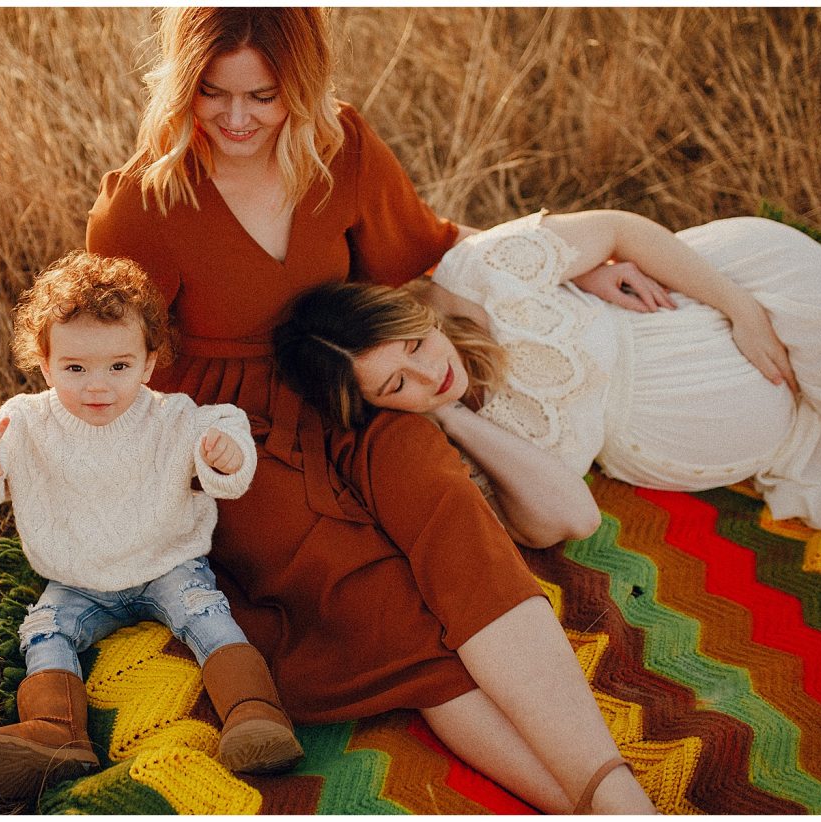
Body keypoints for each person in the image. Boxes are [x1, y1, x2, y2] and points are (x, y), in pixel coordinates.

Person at [85, 7, 657, 815]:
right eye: (213, 93)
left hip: (347, 391)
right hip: (228, 432)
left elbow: (427, 245)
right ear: (183, 83)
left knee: (449, 516)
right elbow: (114, 360)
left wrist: (567, 264)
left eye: (263, 96)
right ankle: (599, 807)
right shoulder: (144, 205)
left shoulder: (340, 147)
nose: (237, 119)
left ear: (302, 85)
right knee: (379, 597)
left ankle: (612, 783)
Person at [0, 250, 304, 801]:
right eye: (75, 369)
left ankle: (254, 715)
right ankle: (57, 732)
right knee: (44, 631)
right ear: (45, 363)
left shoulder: (171, 416)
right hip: (76, 579)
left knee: (204, 613)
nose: (97, 387)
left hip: (166, 564)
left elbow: (223, 434)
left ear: (148, 364)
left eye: (119, 367)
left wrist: (225, 455)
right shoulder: (27, 421)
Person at [273, 209, 821, 538]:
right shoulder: (449, 451)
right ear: (373, 406)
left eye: (414, 343)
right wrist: (452, 417)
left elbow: (622, 231)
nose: (431, 375)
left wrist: (742, 311)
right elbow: (570, 518)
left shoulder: (480, 274)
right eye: (397, 384)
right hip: (795, 444)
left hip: (758, 299)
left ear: (413, 312)